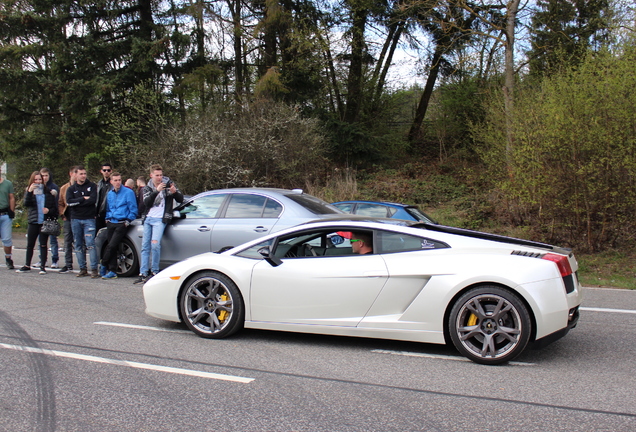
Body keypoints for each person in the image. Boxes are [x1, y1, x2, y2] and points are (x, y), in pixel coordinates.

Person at [134, 164, 183, 284]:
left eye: (161, 175)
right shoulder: (147, 188)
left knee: (155, 245)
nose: (159, 178)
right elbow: (146, 202)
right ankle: (143, 272)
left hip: (160, 219)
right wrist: (156, 191)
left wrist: (174, 192)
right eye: (157, 175)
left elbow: (180, 199)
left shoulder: (168, 184)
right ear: (151, 176)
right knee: (145, 246)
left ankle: (154, 271)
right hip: (148, 218)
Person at [18, 171, 58, 274]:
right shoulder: (30, 192)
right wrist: (29, 192)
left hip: (44, 222)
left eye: (39, 179)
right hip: (33, 221)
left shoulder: (48, 193)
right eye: (36, 180)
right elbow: (26, 204)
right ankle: (27, 264)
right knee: (30, 244)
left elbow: (55, 209)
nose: (38, 182)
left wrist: (48, 211)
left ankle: (42, 266)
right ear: (32, 181)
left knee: (43, 244)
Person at [100, 172, 137, 280]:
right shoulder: (110, 193)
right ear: (111, 181)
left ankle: (103, 264)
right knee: (112, 246)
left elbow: (133, 209)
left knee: (111, 245)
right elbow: (108, 207)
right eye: (115, 180)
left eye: (119, 180)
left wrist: (127, 221)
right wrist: (107, 218)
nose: (118, 182)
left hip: (122, 222)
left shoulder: (128, 192)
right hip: (111, 221)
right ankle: (112, 270)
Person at [66, 166, 99, 278]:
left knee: (90, 244)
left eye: (84, 173)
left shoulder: (92, 186)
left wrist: (82, 201)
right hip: (75, 219)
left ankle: (94, 269)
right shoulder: (71, 189)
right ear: (76, 175)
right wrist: (82, 199)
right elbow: (69, 202)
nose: (83, 176)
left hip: (89, 219)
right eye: (81, 174)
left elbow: (93, 200)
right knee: (78, 244)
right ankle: (82, 268)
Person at [38, 167, 60, 268]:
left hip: (51, 216)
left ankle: (55, 259)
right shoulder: (38, 187)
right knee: (41, 241)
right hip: (40, 217)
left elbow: (56, 204)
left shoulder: (54, 187)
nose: (44, 178)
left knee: (53, 240)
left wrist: (52, 213)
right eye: (43, 176)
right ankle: (42, 259)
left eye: (46, 175)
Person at [58, 166, 78, 273]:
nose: (77, 175)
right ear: (71, 174)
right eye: (75, 172)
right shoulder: (64, 188)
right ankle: (68, 263)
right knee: (67, 241)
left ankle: (82, 264)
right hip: (68, 217)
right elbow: (60, 203)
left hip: (79, 217)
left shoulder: (81, 187)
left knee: (80, 241)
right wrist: (62, 214)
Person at [0, 165, 16, 270]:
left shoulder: (7, 183)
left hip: (5, 214)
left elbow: (11, 197)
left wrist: (12, 211)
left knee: (6, 239)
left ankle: (8, 258)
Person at [95, 162, 113, 232]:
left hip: (108, 213)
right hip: (99, 214)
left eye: (108, 170)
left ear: (111, 171)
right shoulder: (99, 183)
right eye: (104, 170)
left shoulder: (113, 184)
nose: (106, 172)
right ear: (101, 171)